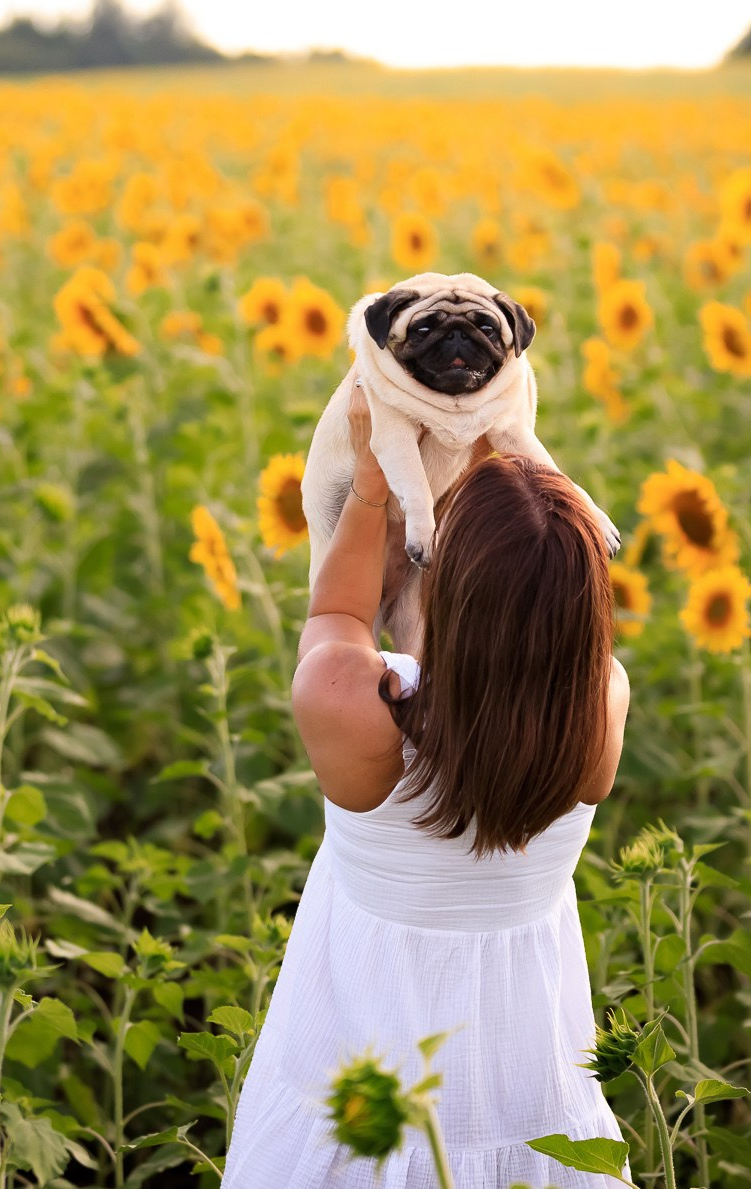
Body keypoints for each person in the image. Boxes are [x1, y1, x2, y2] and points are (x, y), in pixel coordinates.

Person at [223, 381, 631, 1188]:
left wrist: (377, 484)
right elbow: (544, 585)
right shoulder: (597, 709)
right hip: (532, 1093)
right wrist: (500, 435)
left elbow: (335, 616)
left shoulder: (354, 706)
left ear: (441, 589)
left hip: (361, 1078)